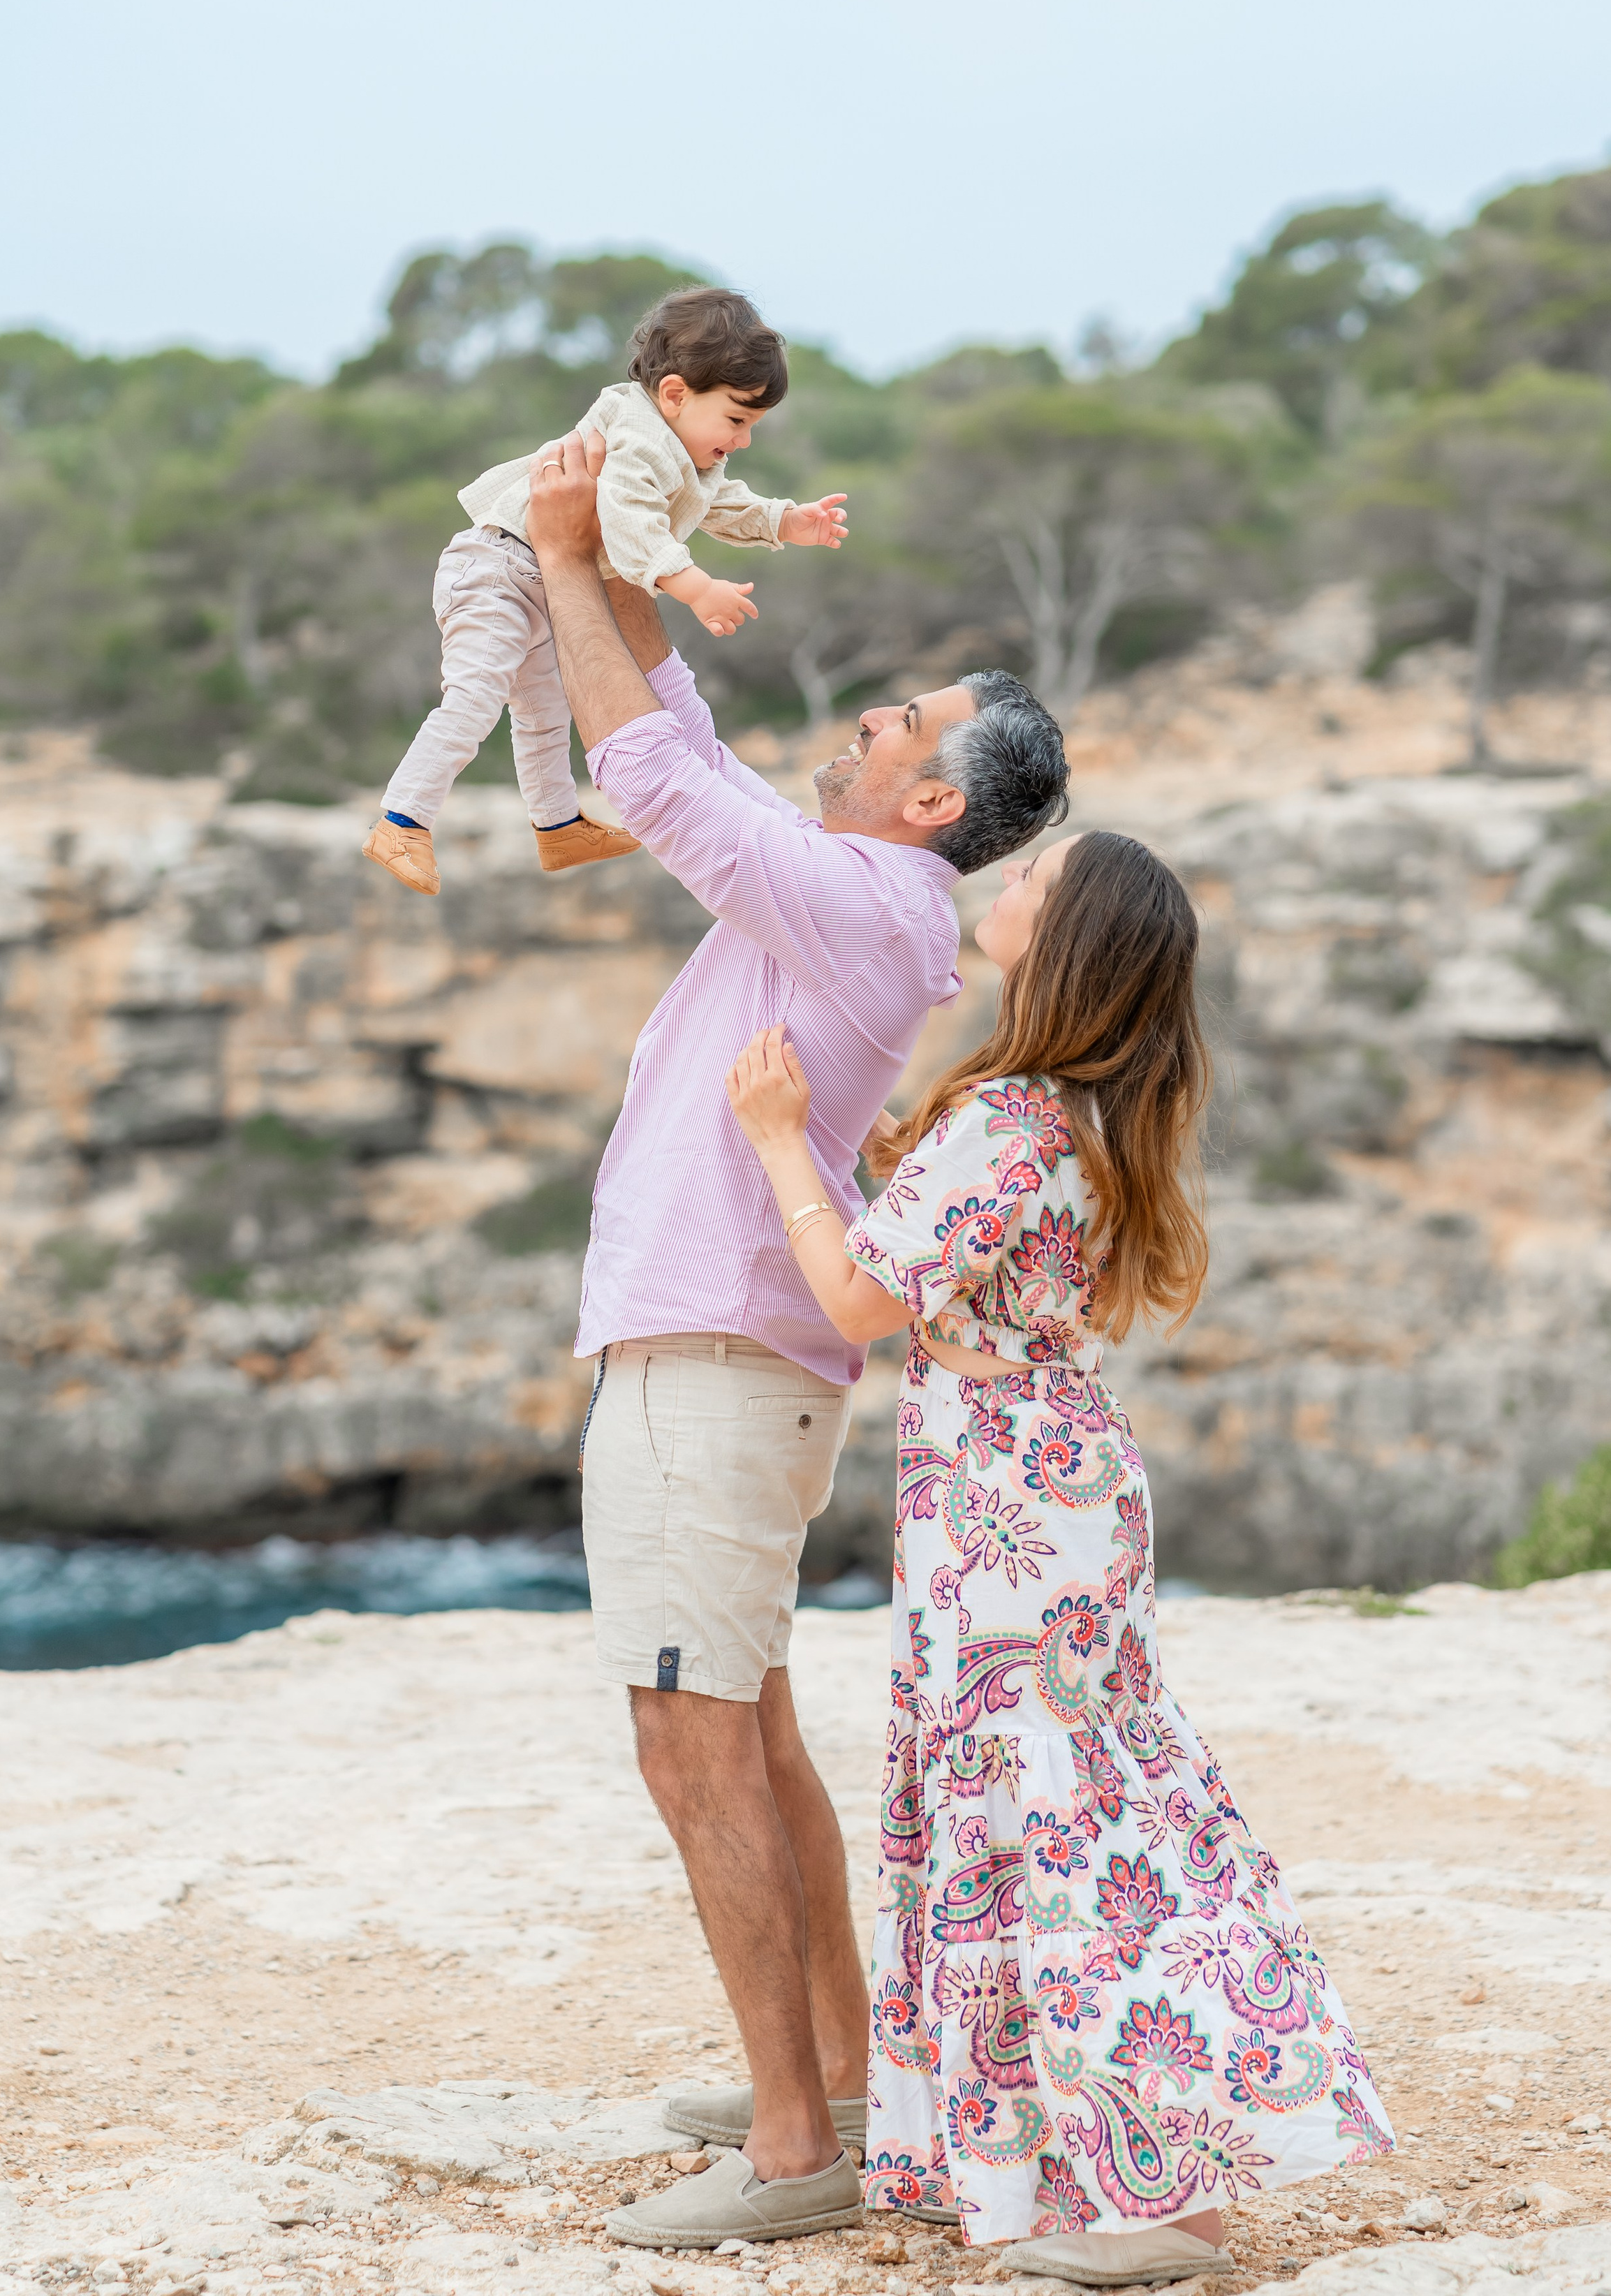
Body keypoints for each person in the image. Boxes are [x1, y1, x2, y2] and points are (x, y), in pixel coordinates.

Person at [518, 431, 1073, 2253]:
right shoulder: (857, 889)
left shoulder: (860, 900)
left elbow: (658, 777)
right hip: (727, 1357)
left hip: (715, 1363)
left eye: (896, 722)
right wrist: (598, 560)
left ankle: (789, 2150)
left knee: (695, 1743)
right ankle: (834, 2078)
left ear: (929, 802)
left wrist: (553, 541)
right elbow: (687, 753)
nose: (862, 724)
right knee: (745, 1729)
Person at [723, 832, 1395, 2288]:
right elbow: (953, 1286)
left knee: (1040, 1827)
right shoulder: (1092, 1113)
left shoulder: (1011, 1116)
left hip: (1003, 1515)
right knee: (1106, 1813)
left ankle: (1149, 2199)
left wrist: (778, 1136)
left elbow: (849, 1298)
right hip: (1062, 1478)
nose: (1003, 884)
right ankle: (1128, 2173)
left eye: (1034, 878)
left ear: (1068, 932)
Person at [360, 286, 849, 895]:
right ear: (675, 394)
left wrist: (784, 520)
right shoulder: (639, 438)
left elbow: (715, 502)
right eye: (737, 420)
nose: (744, 439)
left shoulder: (683, 450)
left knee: (544, 713)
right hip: (496, 569)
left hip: (541, 583)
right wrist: (695, 586)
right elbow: (630, 519)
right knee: (476, 697)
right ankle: (402, 820)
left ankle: (557, 827)